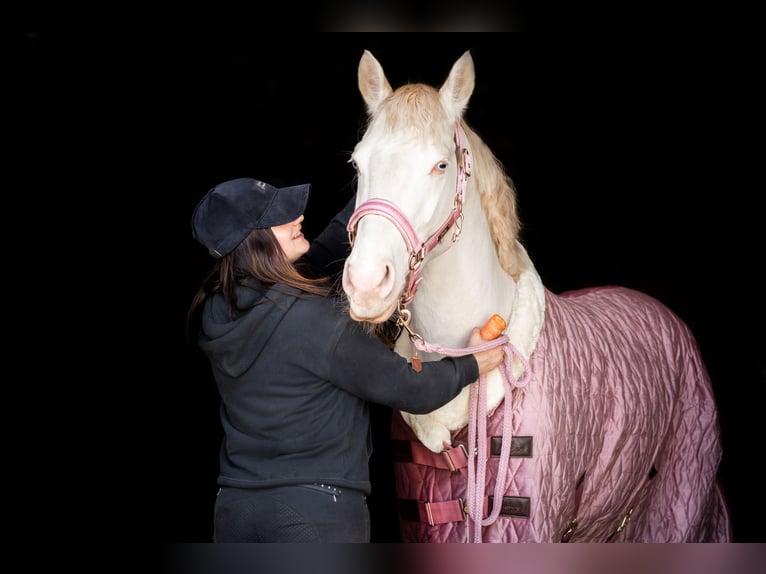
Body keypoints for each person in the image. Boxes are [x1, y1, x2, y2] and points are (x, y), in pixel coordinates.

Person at [187, 177, 504, 543]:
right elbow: (412, 388)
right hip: (313, 513)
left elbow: (319, 258)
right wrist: (474, 362)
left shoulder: (219, 309)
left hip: (235, 507)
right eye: (280, 216)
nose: (297, 217)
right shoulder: (317, 321)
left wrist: (382, 181)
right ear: (255, 242)